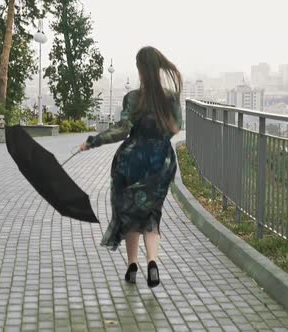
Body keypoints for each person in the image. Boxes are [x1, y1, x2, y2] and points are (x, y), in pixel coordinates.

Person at [79, 46, 182, 288]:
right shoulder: (170, 97)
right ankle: (153, 262)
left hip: (132, 161)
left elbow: (122, 131)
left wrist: (92, 142)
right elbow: (176, 128)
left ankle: (132, 265)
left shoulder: (133, 98)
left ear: (140, 70)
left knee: (129, 213)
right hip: (161, 162)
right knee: (151, 213)